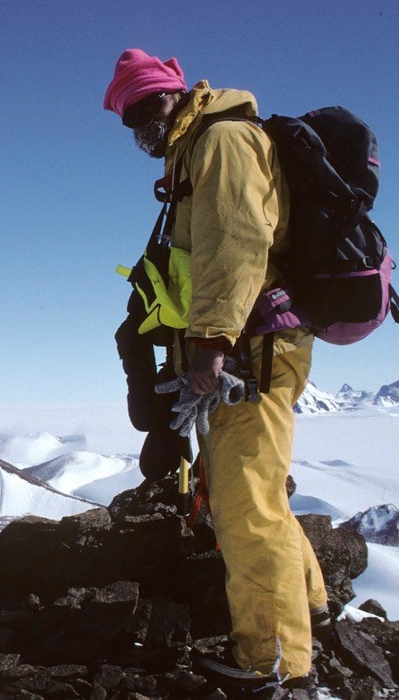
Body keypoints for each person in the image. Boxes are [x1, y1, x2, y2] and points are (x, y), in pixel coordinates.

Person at [104, 49, 330, 693]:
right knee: (257, 490)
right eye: (128, 116)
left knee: (245, 510)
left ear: (175, 96)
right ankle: (308, 608)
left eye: (145, 107)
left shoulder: (224, 140)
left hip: (246, 353)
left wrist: (210, 345)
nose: (138, 125)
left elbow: (236, 244)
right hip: (245, 349)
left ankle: (276, 666)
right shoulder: (195, 147)